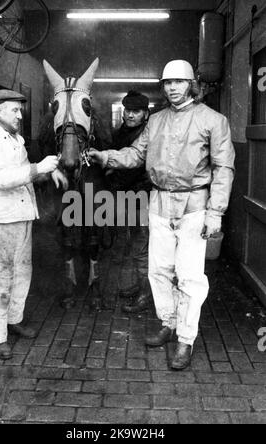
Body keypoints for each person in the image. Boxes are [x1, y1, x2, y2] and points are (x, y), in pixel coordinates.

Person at [89, 60, 235, 370]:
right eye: (167, 82)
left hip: (195, 205)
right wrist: (107, 156)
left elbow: (223, 169)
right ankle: (168, 323)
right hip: (159, 202)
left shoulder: (213, 120)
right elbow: (136, 155)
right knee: (158, 270)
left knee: (190, 275)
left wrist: (216, 212)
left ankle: (185, 339)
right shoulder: (155, 121)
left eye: (179, 82)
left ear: (191, 84)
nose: (172, 88)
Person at [0, 89, 66, 360]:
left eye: (20, 110)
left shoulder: (16, 138)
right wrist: (39, 168)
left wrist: (48, 173)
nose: (20, 114)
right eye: (14, 110)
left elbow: (25, 176)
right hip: (1, 222)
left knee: (22, 274)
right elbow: (3, 179)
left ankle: (14, 320)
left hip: (24, 216)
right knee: (0, 281)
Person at [107, 90, 152, 313]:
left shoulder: (148, 134)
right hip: (124, 196)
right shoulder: (119, 133)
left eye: (136, 111)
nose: (131, 115)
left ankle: (145, 294)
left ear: (146, 114)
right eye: (128, 110)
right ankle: (139, 285)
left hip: (142, 196)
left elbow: (138, 168)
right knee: (132, 244)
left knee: (142, 246)